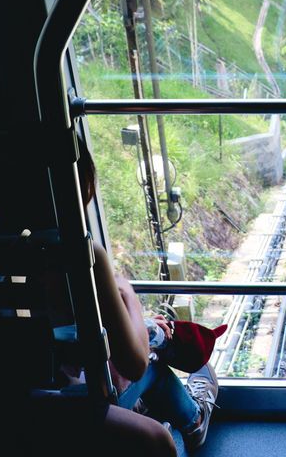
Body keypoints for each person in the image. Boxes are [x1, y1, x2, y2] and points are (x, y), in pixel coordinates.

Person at [65, 136, 219, 455]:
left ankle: (147, 409)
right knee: (153, 363)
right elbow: (133, 364)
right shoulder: (85, 256)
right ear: (86, 189)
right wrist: (129, 296)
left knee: (146, 339)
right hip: (84, 402)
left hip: (31, 397)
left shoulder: (9, 251)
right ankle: (194, 419)